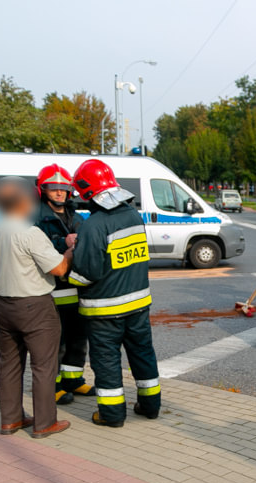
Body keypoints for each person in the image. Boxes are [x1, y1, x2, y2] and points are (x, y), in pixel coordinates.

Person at [0, 177, 72, 438]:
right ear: (22, 203)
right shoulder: (30, 233)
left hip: (2, 306)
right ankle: (44, 423)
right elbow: (59, 268)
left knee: (9, 363)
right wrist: (70, 249)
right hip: (34, 306)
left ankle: (11, 419)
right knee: (43, 366)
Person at [68, 159, 160, 428]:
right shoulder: (133, 216)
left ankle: (111, 415)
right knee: (143, 356)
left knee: (107, 362)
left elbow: (87, 273)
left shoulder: (93, 225)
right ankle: (150, 406)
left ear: (87, 192)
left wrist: (64, 272)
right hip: (139, 305)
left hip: (104, 312)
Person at [34, 164, 95, 406]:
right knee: (55, 342)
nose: (59, 193)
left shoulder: (76, 216)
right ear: (42, 190)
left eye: (64, 189)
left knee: (78, 338)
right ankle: (54, 385)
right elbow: (35, 247)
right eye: (53, 188)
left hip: (75, 287)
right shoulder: (36, 217)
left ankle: (73, 379)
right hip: (51, 289)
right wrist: (62, 241)